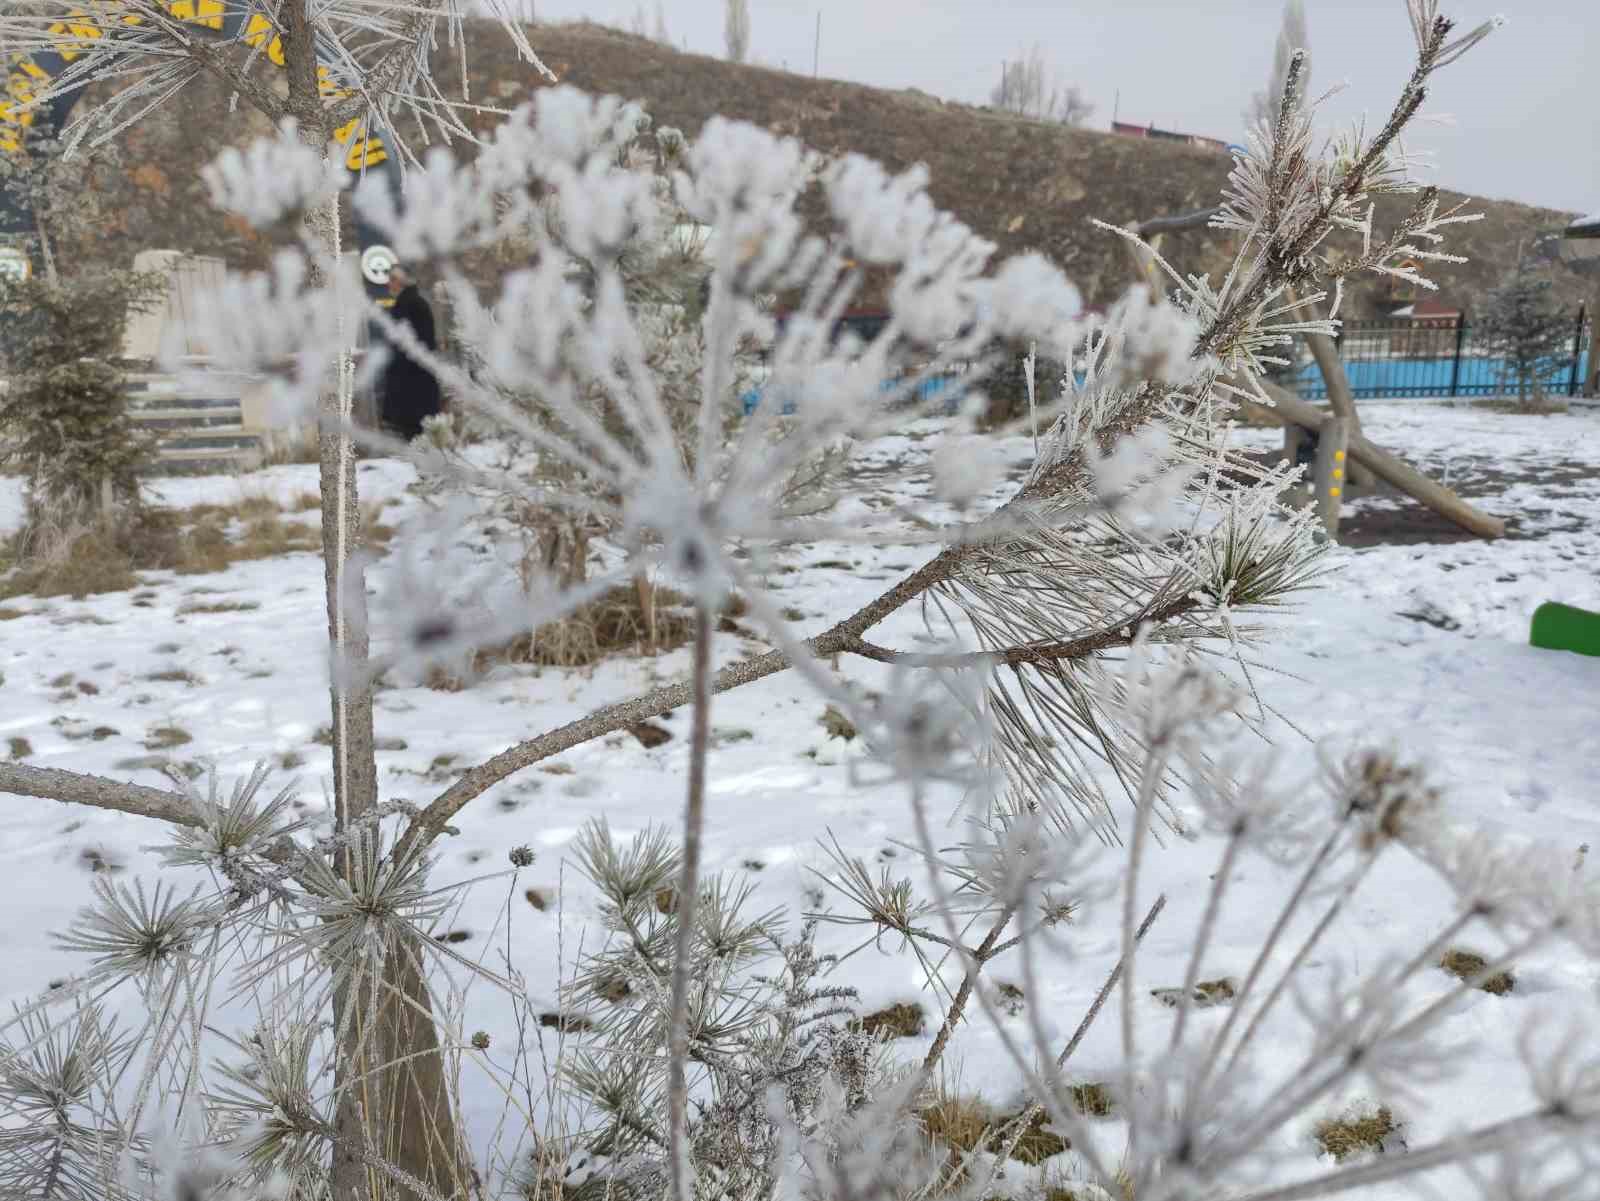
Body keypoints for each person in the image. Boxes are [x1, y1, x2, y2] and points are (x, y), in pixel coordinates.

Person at [378, 264, 443, 442]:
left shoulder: (411, 304)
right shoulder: (409, 303)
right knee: (415, 433)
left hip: (413, 384)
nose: (389, 284)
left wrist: (396, 366)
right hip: (413, 382)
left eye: (392, 280)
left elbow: (419, 344)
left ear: (402, 282)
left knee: (416, 432)